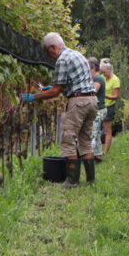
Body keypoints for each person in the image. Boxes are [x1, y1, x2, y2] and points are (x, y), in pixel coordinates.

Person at [21, 33, 97, 187]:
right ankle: (91, 181)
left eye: (48, 53)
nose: (50, 57)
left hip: (78, 102)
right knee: (85, 140)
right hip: (92, 101)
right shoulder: (78, 55)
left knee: (68, 139)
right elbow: (74, 83)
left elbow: (55, 91)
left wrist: (33, 97)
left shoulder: (62, 59)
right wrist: (55, 88)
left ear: (52, 48)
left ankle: (72, 181)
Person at [99, 58, 120, 156]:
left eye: (104, 72)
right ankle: (98, 149)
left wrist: (105, 96)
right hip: (100, 106)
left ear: (109, 70)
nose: (103, 74)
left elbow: (115, 96)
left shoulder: (115, 80)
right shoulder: (102, 77)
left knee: (107, 130)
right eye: (102, 73)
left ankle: (105, 152)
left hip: (109, 107)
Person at [88, 57, 107, 161]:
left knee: (93, 134)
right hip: (97, 110)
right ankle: (98, 156)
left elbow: (93, 92)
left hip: (99, 110)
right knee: (97, 133)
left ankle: (88, 158)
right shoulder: (95, 79)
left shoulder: (98, 79)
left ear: (93, 68)